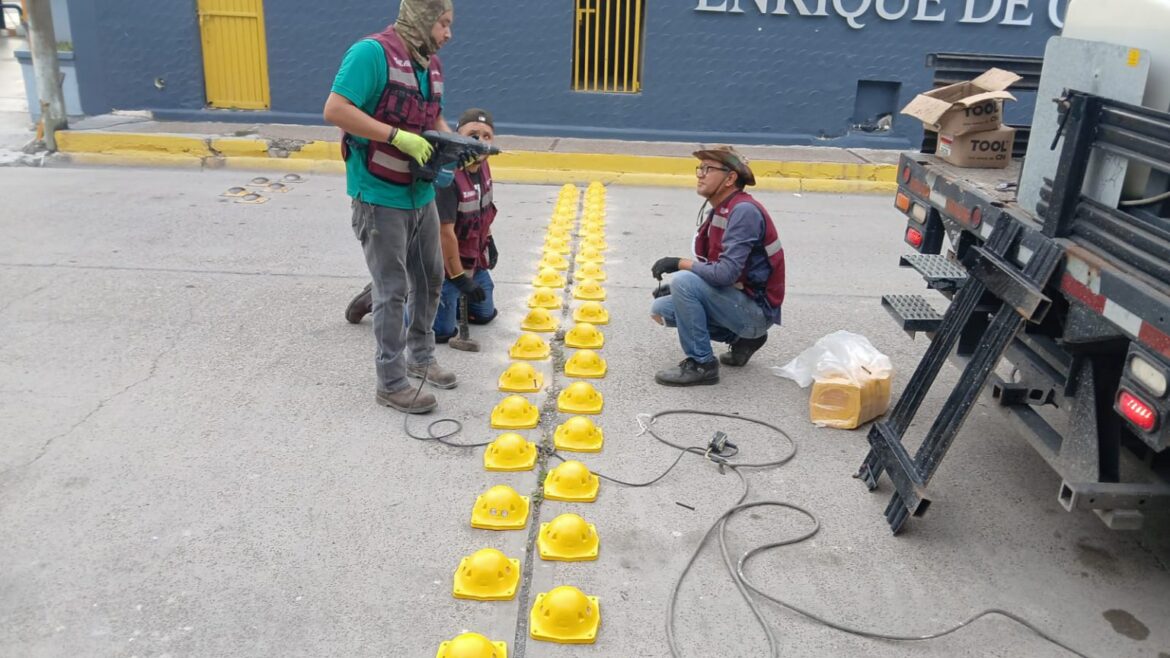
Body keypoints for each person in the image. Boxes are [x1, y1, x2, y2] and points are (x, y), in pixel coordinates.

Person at [323, 0, 455, 414]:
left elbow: (433, 119)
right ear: (421, 18)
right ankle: (391, 381)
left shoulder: (429, 64)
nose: (448, 34)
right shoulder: (371, 54)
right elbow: (336, 110)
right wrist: (398, 137)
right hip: (378, 193)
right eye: (443, 23)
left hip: (420, 193)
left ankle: (421, 356)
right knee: (392, 290)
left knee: (431, 279)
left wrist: (456, 149)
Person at [345, 108, 500, 342]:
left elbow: (484, 211)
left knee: (485, 314)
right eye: (473, 135)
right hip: (445, 266)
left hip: (471, 260)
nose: (480, 141)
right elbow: (444, 234)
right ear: (458, 136)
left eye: (486, 136)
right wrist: (458, 278)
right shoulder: (448, 179)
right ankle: (383, 296)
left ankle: (441, 301)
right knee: (441, 332)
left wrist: (489, 241)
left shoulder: (484, 168)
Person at [649, 146, 785, 387]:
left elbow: (725, 273)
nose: (700, 174)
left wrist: (679, 264)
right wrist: (681, 291)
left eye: (708, 168)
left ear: (730, 178)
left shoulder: (743, 211)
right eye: (700, 168)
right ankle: (741, 340)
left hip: (756, 311)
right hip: (739, 300)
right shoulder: (724, 208)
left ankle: (703, 364)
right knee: (661, 309)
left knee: (684, 281)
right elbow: (718, 270)